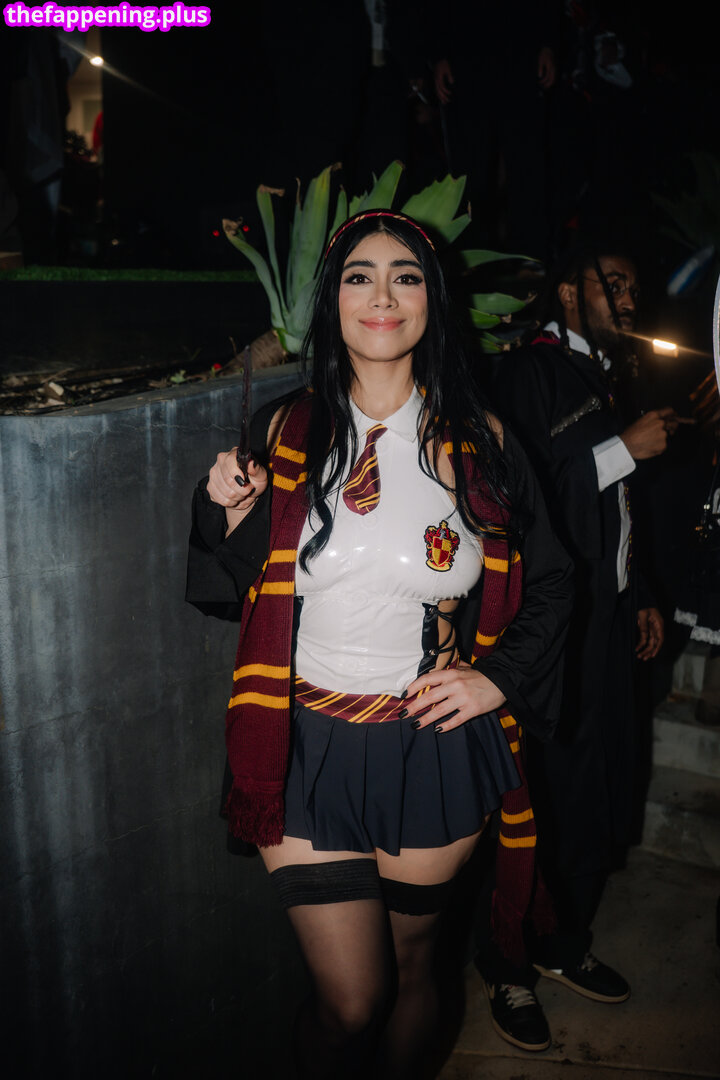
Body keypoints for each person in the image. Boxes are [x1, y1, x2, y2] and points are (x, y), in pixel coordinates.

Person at [186, 210, 573, 1078]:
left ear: (432, 300)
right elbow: (226, 584)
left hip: (432, 747)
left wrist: (496, 679)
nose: (383, 296)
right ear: (333, 301)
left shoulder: (482, 442)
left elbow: (553, 581)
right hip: (302, 745)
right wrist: (224, 512)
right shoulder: (283, 431)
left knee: (412, 967)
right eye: (360, 276)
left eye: (406, 276)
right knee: (351, 1001)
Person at [485, 247, 678, 1051]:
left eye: (635, 285)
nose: (629, 297)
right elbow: (518, 497)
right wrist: (623, 447)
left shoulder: (604, 373)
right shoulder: (530, 371)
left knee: (599, 786)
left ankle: (564, 945)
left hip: (608, 619)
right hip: (555, 626)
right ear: (568, 291)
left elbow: (618, 508)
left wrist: (641, 593)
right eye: (614, 283)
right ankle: (507, 967)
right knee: (545, 795)